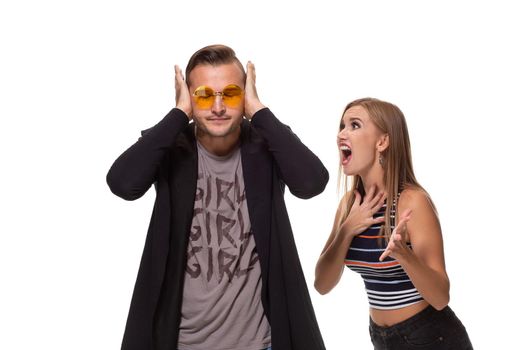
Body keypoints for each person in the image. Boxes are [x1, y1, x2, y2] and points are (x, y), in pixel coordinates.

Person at [107, 44, 328, 350]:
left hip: (258, 343)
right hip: (183, 342)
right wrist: (177, 114)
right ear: (188, 96)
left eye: (232, 93)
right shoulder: (172, 146)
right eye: (204, 95)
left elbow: (312, 183)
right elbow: (122, 183)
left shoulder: (266, 143)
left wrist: (259, 110)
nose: (219, 106)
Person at [314, 98, 472, 349]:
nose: (341, 134)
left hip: (431, 337)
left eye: (354, 125)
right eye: (341, 126)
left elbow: (441, 297)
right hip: (382, 338)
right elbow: (322, 284)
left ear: (382, 142)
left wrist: (403, 254)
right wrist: (346, 231)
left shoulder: (412, 202)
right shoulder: (349, 205)